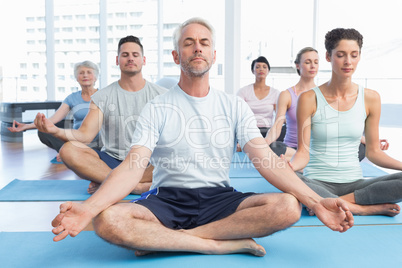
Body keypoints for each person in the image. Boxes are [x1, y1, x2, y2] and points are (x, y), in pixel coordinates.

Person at [50, 18, 353, 257]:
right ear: (175, 55)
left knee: (288, 206)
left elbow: (265, 159)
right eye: (189, 43)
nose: (197, 48)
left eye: (204, 43)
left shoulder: (232, 105)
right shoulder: (158, 107)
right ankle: (215, 243)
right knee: (106, 220)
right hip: (167, 199)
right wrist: (88, 209)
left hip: (219, 199)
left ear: (213, 54)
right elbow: (132, 166)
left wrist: (316, 201)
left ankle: (181, 240)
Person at [290, 28, 402, 217]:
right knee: (290, 180)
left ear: (359, 57)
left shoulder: (371, 98)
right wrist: (288, 169)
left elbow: (374, 153)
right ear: (328, 56)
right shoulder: (309, 99)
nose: (348, 62)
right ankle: (361, 208)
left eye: (354, 55)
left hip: (356, 185)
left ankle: (331, 204)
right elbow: (303, 153)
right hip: (317, 182)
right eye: (341, 55)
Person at [34, 35, 167, 194]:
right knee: (68, 150)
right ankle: (134, 186)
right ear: (117, 60)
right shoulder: (102, 96)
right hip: (112, 161)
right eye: (125, 55)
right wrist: (55, 130)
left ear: (143, 60)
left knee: (178, 157)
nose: (130, 58)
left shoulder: (163, 95)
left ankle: (110, 182)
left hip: (147, 163)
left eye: (135, 55)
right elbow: (85, 135)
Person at [8, 60, 101, 161]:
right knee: (43, 132)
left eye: (89, 72)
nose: (85, 75)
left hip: (96, 141)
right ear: (76, 78)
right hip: (75, 139)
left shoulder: (104, 96)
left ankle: (73, 152)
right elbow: (53, 120)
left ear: (95, 77)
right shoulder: (71, 98)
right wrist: (26, 126)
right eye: (81, 73)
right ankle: (68, 151)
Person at [265, 47, 319, 161]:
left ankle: (301, 162)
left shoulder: (325, 94)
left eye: (316, 62)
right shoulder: (286, 94)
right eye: (308, 62)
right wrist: (265, 144)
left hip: (316, 149)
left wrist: (363, 139)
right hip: (291, 149)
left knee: (359, 148)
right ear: (298, 65)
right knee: (274, 148)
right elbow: (277, 126)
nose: (313, 66)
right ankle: (304, 161)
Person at [237, 56, 281, 138]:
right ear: (253, 71)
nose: (261, 69)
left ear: (268, 71)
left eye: (264, 67)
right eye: (257, 67)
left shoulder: (275, 93)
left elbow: (279, 116)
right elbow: (239, 115)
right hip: (249, 130)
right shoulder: (243, 91)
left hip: (268, 131)